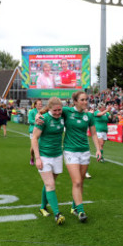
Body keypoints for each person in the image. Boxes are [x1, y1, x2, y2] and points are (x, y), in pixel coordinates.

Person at [60, 91, 102, 222]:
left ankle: (74, 207)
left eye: (86, 99)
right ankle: (81, 211)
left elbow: (94, 134)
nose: (85, 102)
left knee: (81, 181)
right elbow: (51, 110)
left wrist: (98, 149)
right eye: (82, 100)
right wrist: (40, 115)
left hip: (84, 151)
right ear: (75, 101)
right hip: (70, 150)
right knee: (77, 181)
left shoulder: (89, 116)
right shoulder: (66, 111)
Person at [31, 97, 66, 225]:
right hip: (44, 156)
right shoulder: (43, 119)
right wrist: (38, 158)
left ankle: (42, 207)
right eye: (55, 110)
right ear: (50, 109)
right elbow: (34, 138)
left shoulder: (63, 116)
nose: (58, 112)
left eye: (60, 110)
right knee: (50, 185)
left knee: (48, 184)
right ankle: (57, 214)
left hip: (57, 155)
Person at [28, 100, 43, 164]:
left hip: (41, 130)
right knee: (33, 148)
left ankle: (40, 159)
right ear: (35, 105)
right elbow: (30, 120)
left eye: (41, 104)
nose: (40, 105)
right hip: (33, 131)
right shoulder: (32, 112)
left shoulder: (43, 111)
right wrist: (36, 122)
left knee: (40, 146)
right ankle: (32, 157)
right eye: (39, 104)